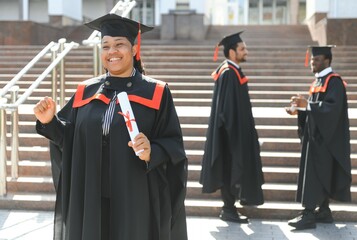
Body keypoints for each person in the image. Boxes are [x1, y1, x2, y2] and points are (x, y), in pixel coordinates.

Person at [33, 13, 188, 240]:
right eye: (105, 46)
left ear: (134, 50)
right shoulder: (85, 91)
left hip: (135, 198)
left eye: (119, 45)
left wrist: (151, 151)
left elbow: (174, 145)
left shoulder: (156, 92)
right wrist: (50, 122)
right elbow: (70, 140)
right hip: (91, 198)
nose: (111, 51)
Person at [199, 31, 264, 223]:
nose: (246, 51)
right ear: (232, 52)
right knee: (229, 169)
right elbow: (227, 111)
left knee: (231, 169)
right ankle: (228, 209)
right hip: (231, 135)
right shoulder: (228, 73)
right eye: (242, 49)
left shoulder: (231, 71)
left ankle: (230, 208)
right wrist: (236, 136)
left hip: (234, 133)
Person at [286, 45, 352, 230]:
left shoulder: (335, 82)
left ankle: (308, 214)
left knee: (315, 174)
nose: (312, 63)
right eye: (312, 59)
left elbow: (332, 110)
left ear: (326, 60)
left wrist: (308, 105)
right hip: (315, 137)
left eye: (315, 60)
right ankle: (323, 211)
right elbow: (313, 109)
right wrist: (299, 110)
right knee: (318, 174)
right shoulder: (317, 82)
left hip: (326, 140)